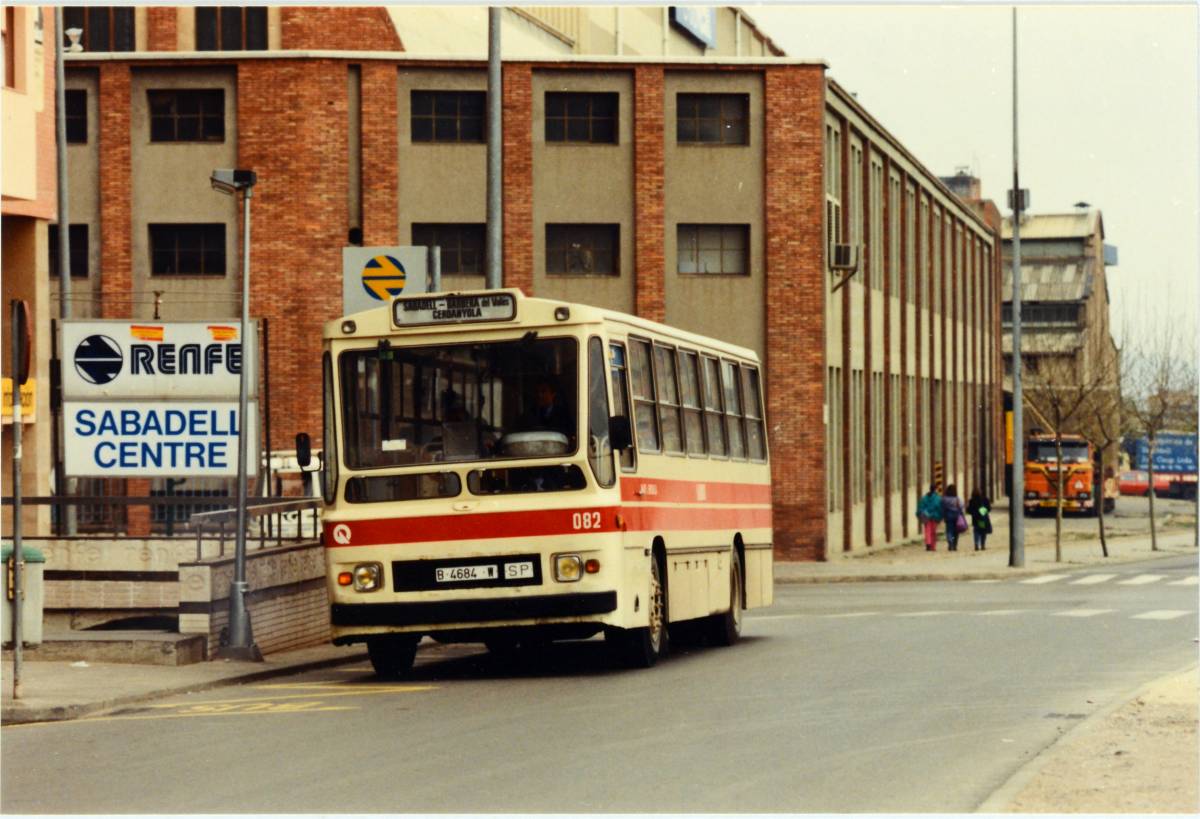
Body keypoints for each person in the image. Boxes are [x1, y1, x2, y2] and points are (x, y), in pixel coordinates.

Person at [916, 484, 943, 551]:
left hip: (926, 516)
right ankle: (933, 546)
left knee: (927, 530)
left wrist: (920, 515)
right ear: (935, 489)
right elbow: (940, 508)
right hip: (935, 516)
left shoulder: (924, 498)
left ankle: (928, 543)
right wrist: (940, 517)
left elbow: (920, 507)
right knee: (933, 532)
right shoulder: (938, 498)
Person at [941, 484, 965, 552]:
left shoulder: (944, 499)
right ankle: (954, 544)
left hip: (948, 516)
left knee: (949, 531)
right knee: (956, 532)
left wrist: (943, 516)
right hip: (956, 516)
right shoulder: (957, 499)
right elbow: (961, 506)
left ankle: (950, 543)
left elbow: (943, 508)